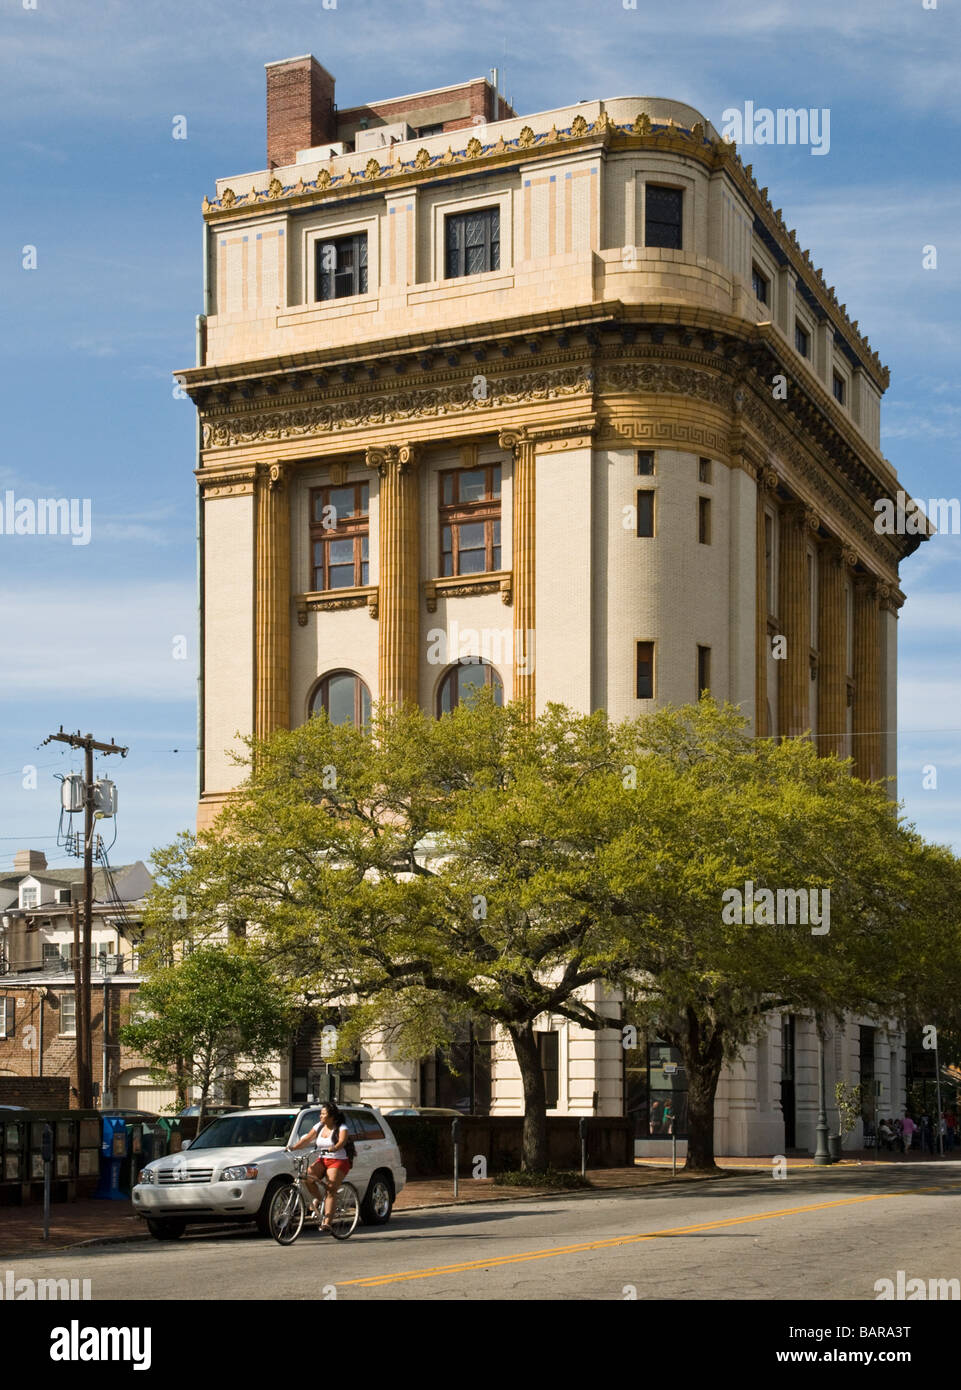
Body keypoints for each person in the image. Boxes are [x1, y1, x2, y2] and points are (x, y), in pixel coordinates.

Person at [288, 1101, 351, 1234]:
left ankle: (327, 1223)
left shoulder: (341, 1127)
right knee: (307, 1177)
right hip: (323, 1159)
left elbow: (341, 1142)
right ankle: (323, 1201)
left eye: (323, 1114)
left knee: (330, 1188)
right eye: (320, 1113)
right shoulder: (319, 1126)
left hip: (338, 1160)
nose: (320, 1116)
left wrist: (334, 1147)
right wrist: (293, 1148)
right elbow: (306, 1140)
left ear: (332, 1116)